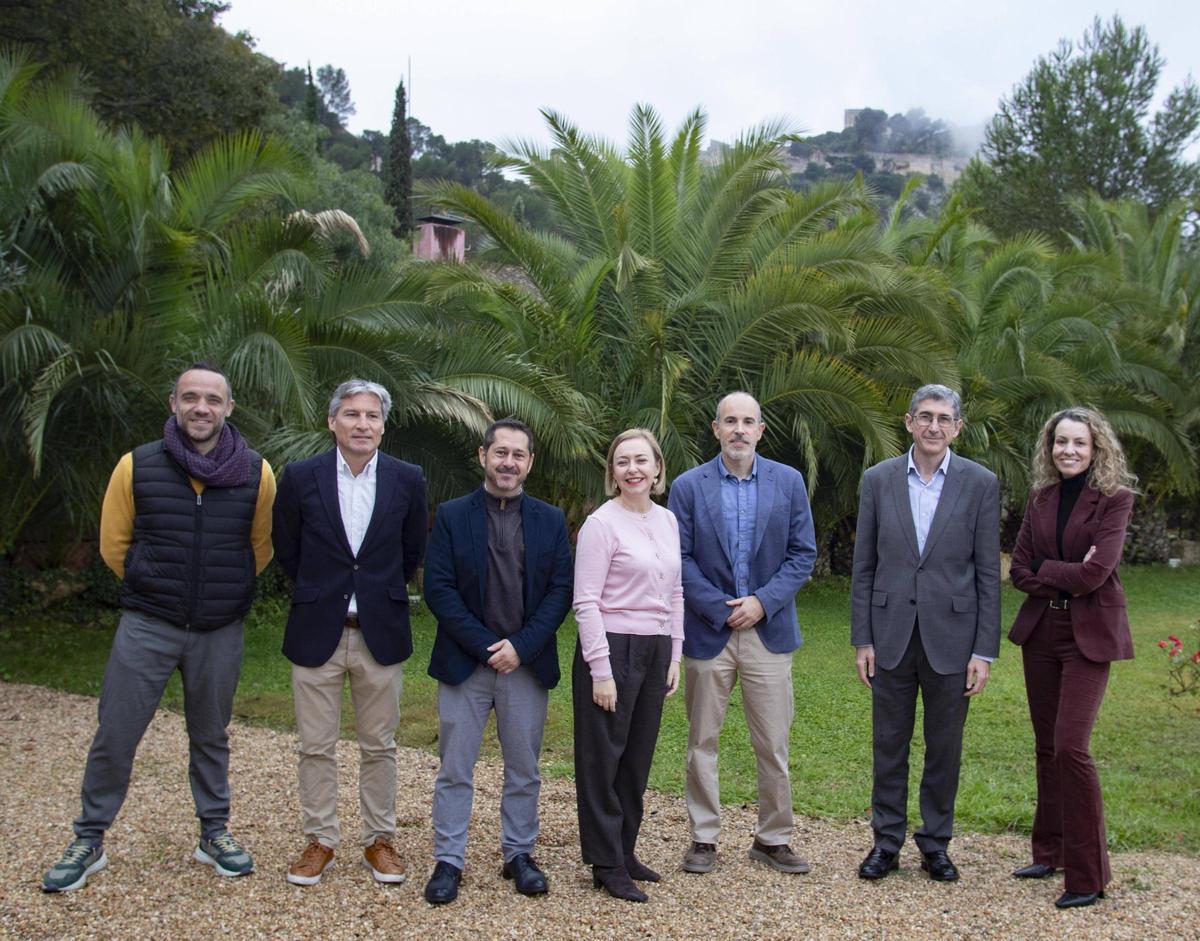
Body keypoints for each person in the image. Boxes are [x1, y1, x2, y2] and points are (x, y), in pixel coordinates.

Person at [42, 363, 276, 892]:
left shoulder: (256, 472)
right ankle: (89, 838)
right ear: (173, 403)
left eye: (212, 399)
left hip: (219, 628)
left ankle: (214, 832)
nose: (201, 408)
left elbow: (259, 547)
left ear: (228, 408)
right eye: (190, 397)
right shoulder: (137, 466)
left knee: (211, 735)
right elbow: (114, 545)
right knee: (116, 732)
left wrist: (221, 592)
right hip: (148, 624)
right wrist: (155, 588)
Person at [272, 379, 427, 886]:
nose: (363, 424)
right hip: (316, 628)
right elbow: (288, 548)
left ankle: (379, 840)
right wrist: (321, 591)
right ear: (332, 421)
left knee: (379, 745)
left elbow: (410, 551)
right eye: (353, 414)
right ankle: (320, 840)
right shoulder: (300, 476)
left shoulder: (408, 478)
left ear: (383, 425)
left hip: (380, 631)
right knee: (315, 745)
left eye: (372, 416)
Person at [850, 383, 1000, 882]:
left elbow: (987, 573)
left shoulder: (980, 483)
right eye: (925, 416)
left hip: (953, 640)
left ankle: (936, 844)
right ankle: (886, 843)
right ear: (909, 422)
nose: (934, 426)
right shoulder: (878, 479)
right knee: (888, 745)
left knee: (944, 748)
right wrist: (863, 639)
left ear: (957, 427)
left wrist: (984, 650)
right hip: (890, 635)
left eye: (944, 418)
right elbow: (863, 566)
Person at [420, 419, 573, 905]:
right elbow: (438, 588)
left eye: (518, 455)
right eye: (500, 452)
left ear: (530, 463)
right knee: (455, 767)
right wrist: (488, 645)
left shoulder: (550, 520)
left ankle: (519, 853)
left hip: (525, 665)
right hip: (465, 663)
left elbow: (560, 591)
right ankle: (449, 859)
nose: (509, 462)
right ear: (482, 455)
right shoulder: (451, 515)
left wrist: (520, 647)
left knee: (524, 767)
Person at [668, 392, 816, 875]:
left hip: (768, 632)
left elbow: (802, 554)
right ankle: (703, 837)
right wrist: (719, 607)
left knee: (773, 743)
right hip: (708, 631)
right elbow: (679, 557)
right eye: (730, 421)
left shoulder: (788, 482)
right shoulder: (688, 486)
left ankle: (773, 838)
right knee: (702, 741)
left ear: (760, 430)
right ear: (715, 429)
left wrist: (762, 602)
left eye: (747, 421)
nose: (738, 429)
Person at [1008, 407, 1137, 909]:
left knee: (1071, 747)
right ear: (1050, 447)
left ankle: (1088, 876)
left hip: (1089, 636)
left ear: (1096, 448)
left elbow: (1095, 574)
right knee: (1046, 747)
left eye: (1079, 443)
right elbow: (1020, 570)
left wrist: (1048, 568)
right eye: (1060, 442)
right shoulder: (1040, 498)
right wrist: (1059, 571)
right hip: (1042, 631)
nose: (1068, 450)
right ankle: (1050, 852)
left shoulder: (1115, 499)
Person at [573, 428, 683, 902]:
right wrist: (601, 671)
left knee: (637, 757)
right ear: (612, 472)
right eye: (623, 462)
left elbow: (675, 592)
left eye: (641, 460)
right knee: (603, 758)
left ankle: (625, 849)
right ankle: (605, 862)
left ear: (658, 468)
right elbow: (585, 602)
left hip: (655, 649)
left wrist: (675, 653)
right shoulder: (601, 524)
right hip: (612, 648)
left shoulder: (667, 520)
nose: (633, 469)